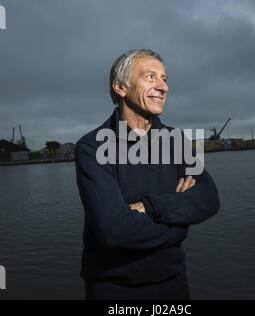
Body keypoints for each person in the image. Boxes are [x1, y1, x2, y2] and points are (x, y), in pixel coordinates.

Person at [75, 49, 220, 300]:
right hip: (115, 290)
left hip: (174, 285)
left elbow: (209, 198)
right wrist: (181, 222)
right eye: (151, 77)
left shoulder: (175, 140)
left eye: (164, 78)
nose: (163, 87)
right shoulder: (92, 147)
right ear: (121, 87)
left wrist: (149, 206)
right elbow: (114, 230)